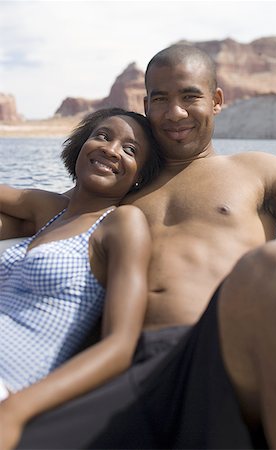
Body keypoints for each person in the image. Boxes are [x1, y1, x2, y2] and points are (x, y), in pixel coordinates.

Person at [2, 45, 276, 449]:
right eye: (160, 99)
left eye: (189, 96)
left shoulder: (258, 172)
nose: (174, 113)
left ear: (216, 100)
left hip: (217, 353)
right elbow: (35, 218)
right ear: (145, 105)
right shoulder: (119, 190)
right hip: (125, 372)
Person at [0, 108, 162, 448]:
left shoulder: (121, 224)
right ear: (81, 145)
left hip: (10, 389)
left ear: (139, 177)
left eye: (130, 150)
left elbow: (119, 347)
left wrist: (16, 410)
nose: (111, 149)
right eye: (102, 136)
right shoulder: (49, 210)